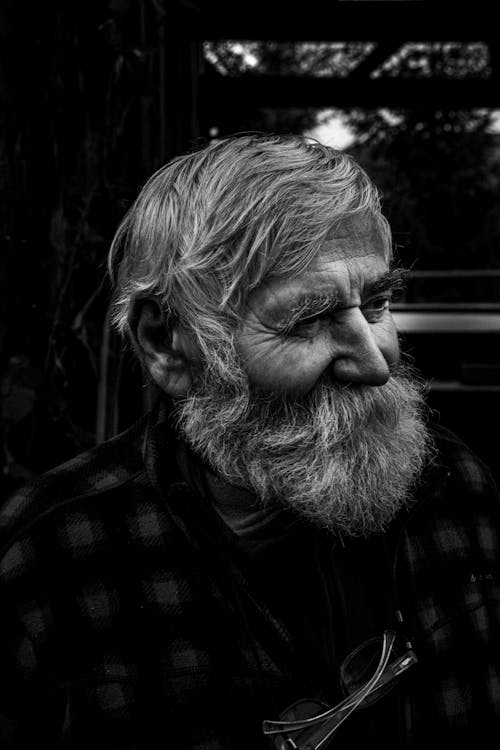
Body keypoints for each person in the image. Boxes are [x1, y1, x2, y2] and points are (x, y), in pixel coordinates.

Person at [1, 134, 499, 749]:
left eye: (377, 303)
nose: (377, 364)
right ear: (166, 343)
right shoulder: (52, 560)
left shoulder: (453, 483)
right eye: (305, 320)